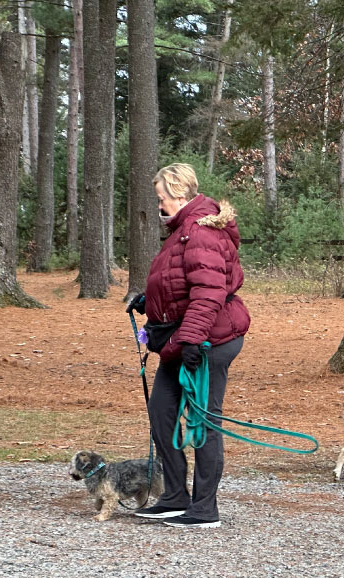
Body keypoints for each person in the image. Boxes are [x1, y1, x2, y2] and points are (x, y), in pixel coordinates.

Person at [128, 163, 251, 528]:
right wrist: (149, 303)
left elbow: (209, 294)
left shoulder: (201, 231)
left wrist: (194, 339)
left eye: (162, 197)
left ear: (178, 193)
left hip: (210, 341)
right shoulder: (183, 230)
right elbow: (179, 283)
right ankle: (175, 497)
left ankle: (204, 508)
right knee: (162, 412)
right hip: (184, 340)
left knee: (203, 421)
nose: (160, 204)